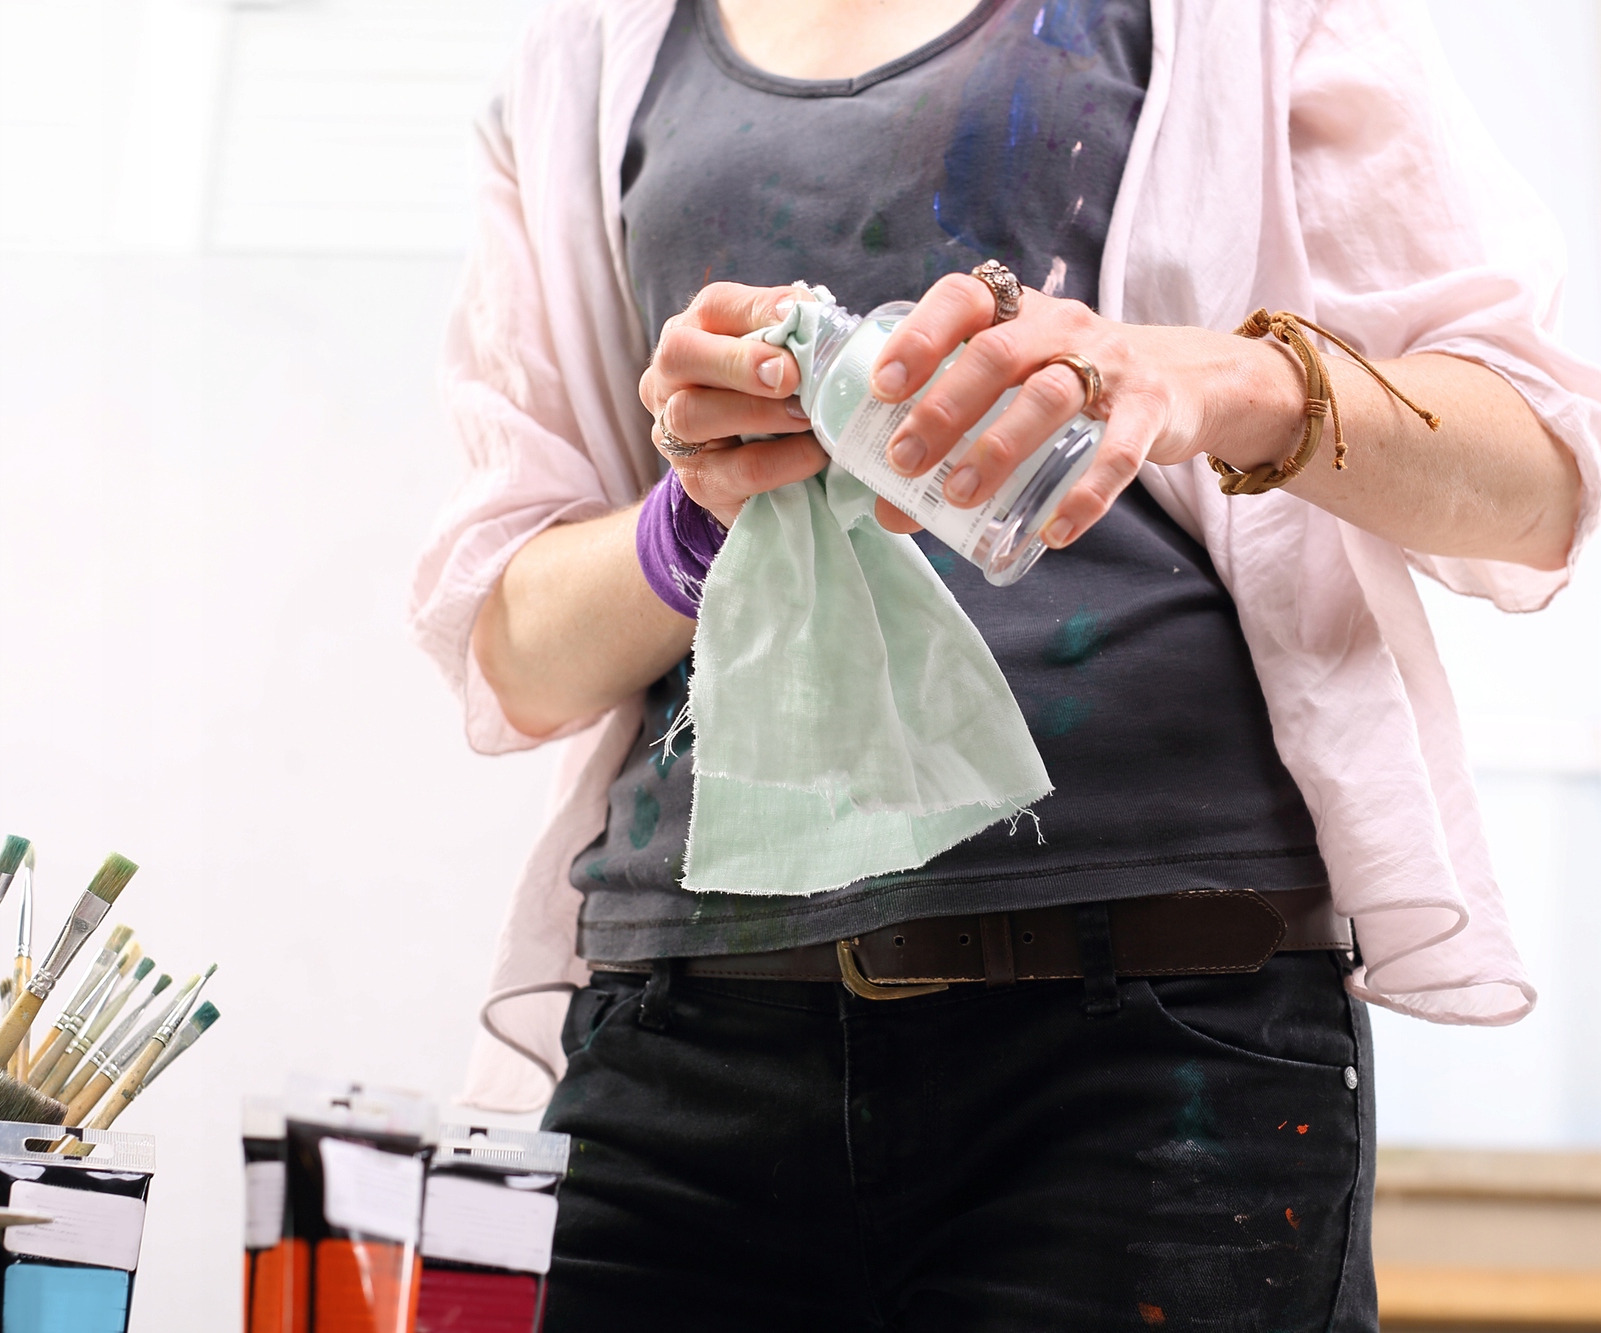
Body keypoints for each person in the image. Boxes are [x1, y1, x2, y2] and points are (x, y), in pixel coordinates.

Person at [410, 0, 1599, 1328]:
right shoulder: (580, 60)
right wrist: (700, 517)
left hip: (1153, 1046)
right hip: (677, 1047)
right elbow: (514, 654)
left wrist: (1205, 383)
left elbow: (1539, 476)